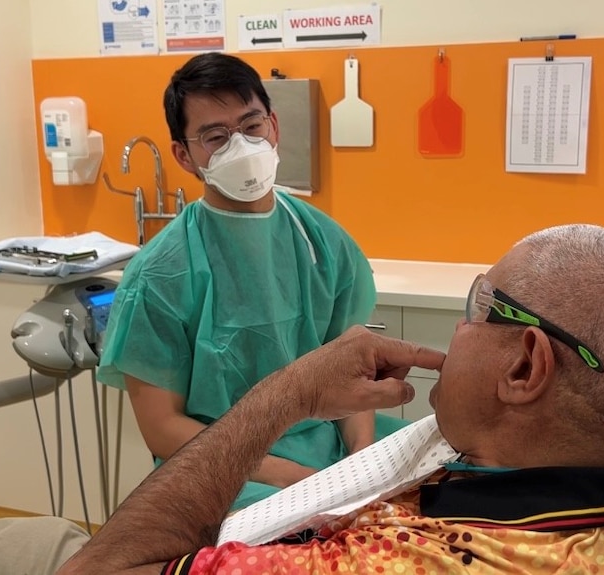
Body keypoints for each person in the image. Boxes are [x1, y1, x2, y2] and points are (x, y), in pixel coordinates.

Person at [55, 223, 604, 574]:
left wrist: (284, 393)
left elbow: (97, 566)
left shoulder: (403, 562)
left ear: (526, 365)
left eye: (480, 306)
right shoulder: (568, 487)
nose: (460, 326)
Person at [97, 52, 407, 510]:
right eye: (216, 137)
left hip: (332, 449)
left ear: (274, 127)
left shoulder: (321, 242)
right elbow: (162, 426)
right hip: (225, 471)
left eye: (251, 126)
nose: (239, 146)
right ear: (184, 155)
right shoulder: (160, 276)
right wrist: (295, 480)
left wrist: (360, 464)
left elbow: (351, 373)